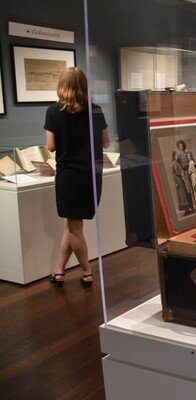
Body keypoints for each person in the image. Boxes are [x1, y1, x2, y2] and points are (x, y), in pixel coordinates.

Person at [46, 67, 110, 288]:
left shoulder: (53, 112)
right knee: (72, 224)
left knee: (74, 226)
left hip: (69, 175)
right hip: (91, 174)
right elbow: (106, 142)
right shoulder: (96, 110)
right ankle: (60, 270)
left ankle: (87, 272)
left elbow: (51, 146)